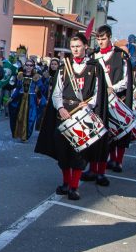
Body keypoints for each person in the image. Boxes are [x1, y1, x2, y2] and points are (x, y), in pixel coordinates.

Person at [34, 34, 108, 201]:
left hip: (83, 114)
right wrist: (60, 108)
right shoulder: (64, 67)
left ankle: (74, 187)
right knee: (63, 151)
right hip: (64, 114)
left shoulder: (95, 68)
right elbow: (56, 92)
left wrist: (88, 105)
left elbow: (98, 93)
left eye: (78, 46)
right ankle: (66, 183)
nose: (75, 49)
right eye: (73, 46)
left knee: (79, 152)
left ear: (86, 47)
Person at [84, 25, 132, 182]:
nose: (100, 42)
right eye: (98, 39)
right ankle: (92, 169)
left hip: (113, 102)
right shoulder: (93, 56)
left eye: (103, 38)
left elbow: (126, 80)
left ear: (110, 37)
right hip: (96, 103)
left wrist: (113, 88)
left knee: (108, 138)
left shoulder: (120, 56)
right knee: (94, 136)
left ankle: (102, 171)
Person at [7, 58, 47, 141]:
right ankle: (18, 133)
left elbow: (42, 89)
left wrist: (40, 84)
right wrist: (12, 97)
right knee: (18, 117)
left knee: (30, 118)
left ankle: (25, 136)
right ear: (24, 66)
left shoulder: (36, 77)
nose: (29, 67)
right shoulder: (20, 76)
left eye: (31, 65)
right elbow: (18, 89)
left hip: (31, 100)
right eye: (27, 65)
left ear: (33, 66)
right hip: (20, 99)